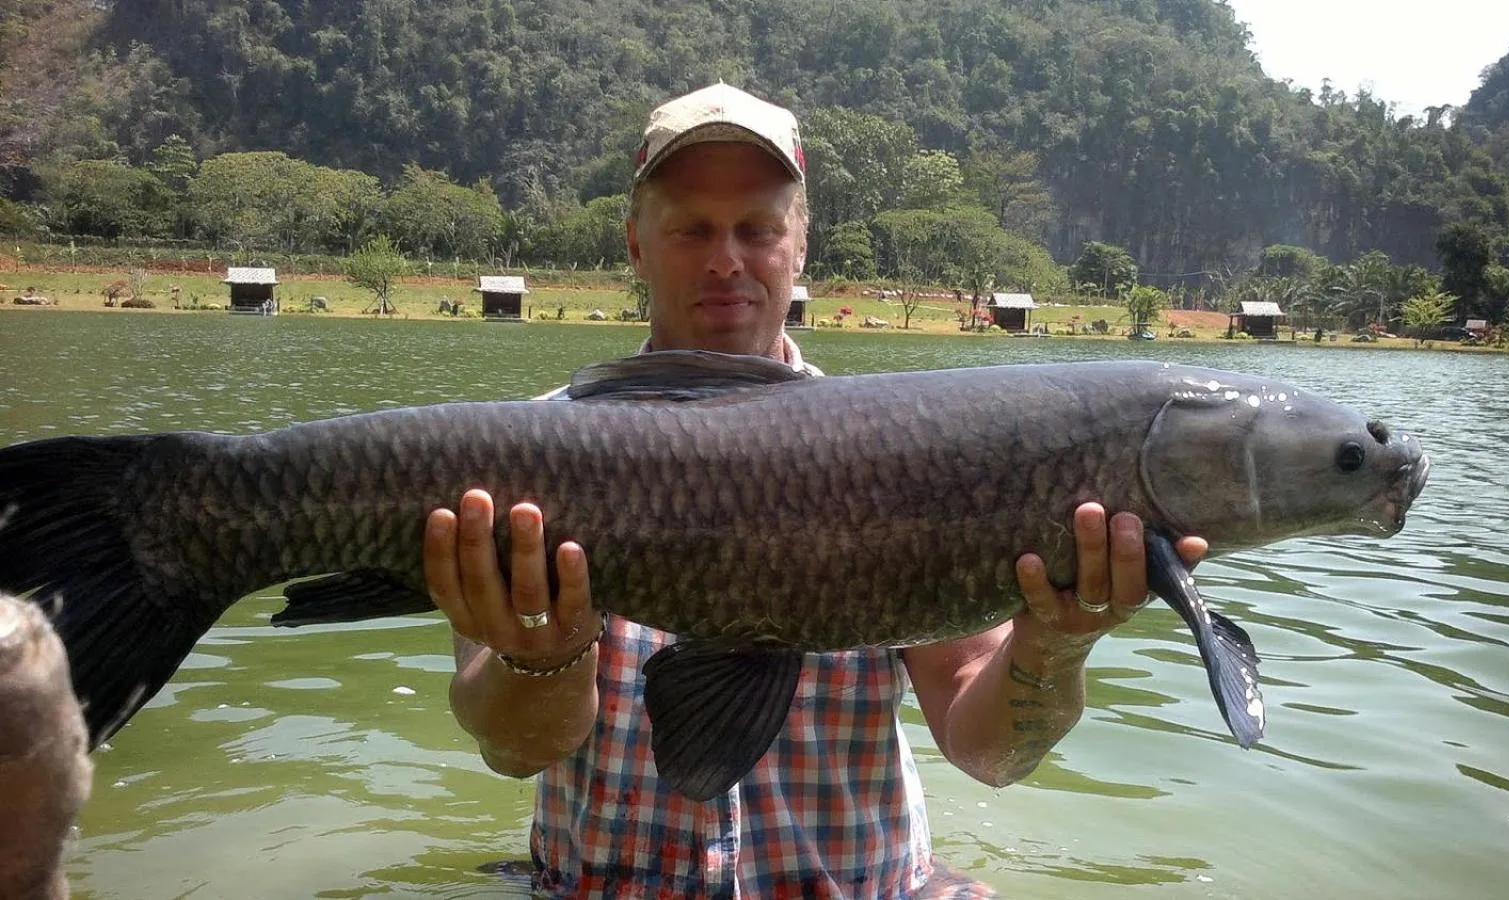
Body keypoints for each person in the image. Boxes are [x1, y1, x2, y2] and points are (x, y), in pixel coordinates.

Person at [422, 83, 1207, 898]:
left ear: (799, 246)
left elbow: (988, 754)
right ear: (635, 243)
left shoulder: (909, 451)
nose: (726, 257)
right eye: (693, 228)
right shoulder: (521, 458)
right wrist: (546, 656)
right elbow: (512, 753)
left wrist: (1056, 643)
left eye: (757, 229)